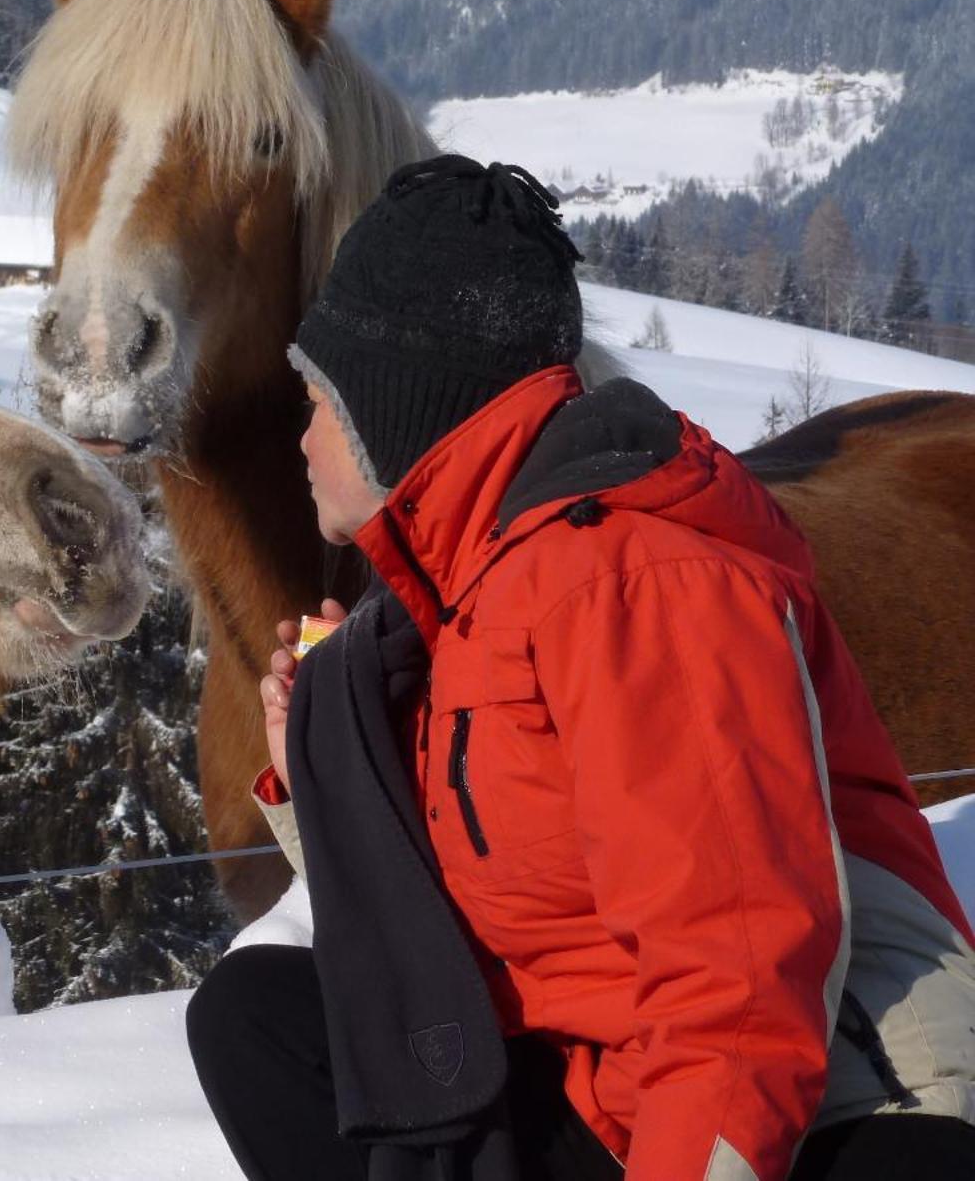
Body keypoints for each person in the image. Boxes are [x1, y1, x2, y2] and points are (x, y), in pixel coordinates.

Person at [183, 155, 975, 1181]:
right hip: (614, 1079)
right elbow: (488, 893)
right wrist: (315, 767)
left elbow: (736, 980)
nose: (300, 437)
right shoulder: (468, 602)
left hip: (840, 1100)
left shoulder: (632, 581)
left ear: (394, 404)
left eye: (318, 399)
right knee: (259, 1022)